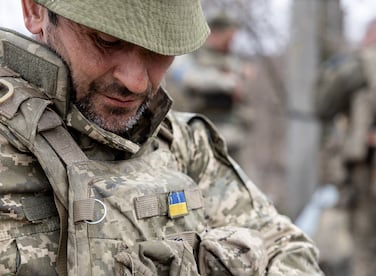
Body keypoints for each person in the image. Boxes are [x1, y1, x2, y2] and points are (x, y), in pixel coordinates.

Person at [0, 0, 323, 275]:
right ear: (34, 10)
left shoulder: (184, 145)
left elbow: (286, 247)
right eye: (107, 40)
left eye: (159, 49)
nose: (137, 82)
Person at [314, 17, 376, 275]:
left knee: (368, 248)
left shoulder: (360, 65)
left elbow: (323, 106)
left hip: (366, 167)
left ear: (372, 36)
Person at [167, 13, 253, 163]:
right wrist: (227, 82)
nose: (231, 42)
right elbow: (189, 78)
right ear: (215, 33)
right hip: (197, 135)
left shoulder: (231, 59)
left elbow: (243, 91)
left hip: (232, 137)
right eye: (228, 37)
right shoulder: (192, 53)